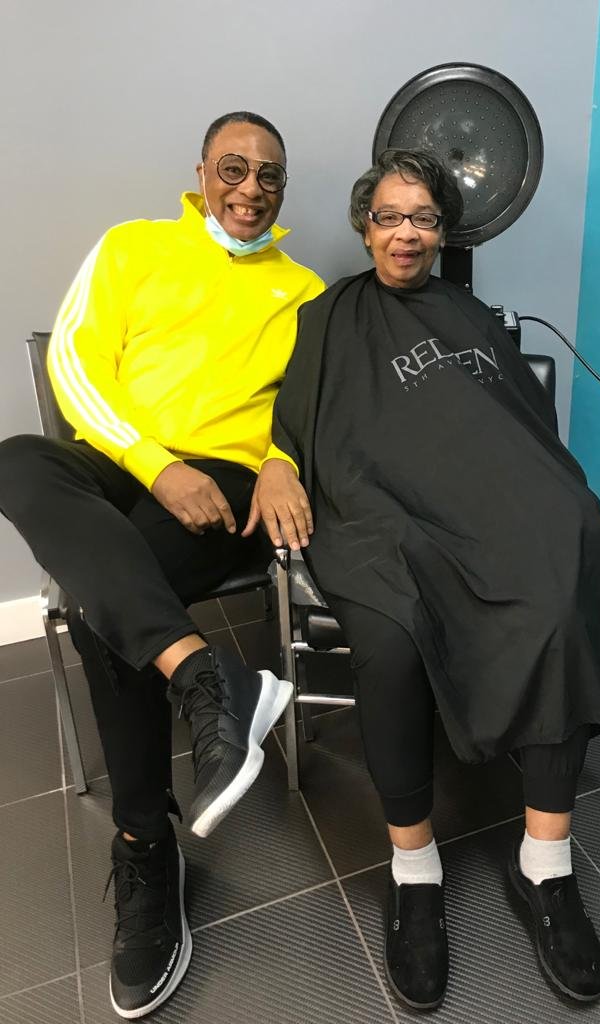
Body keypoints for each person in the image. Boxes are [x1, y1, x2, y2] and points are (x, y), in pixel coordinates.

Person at [254, 149, 600, 1010]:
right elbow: (293, 423)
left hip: (494, 504)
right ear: (365, 226)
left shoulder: (473, 316)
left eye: (422, 218)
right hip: (379, 512)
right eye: (389, 216)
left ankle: (546, 864)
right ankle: (414, 871)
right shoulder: (328, 316)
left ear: (443, 231)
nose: (405, 234)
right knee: (389, 642)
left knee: (562, 569)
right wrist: (275, 464)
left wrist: (546, 493)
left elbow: (525, 424)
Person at [0, 111, 323, 1019]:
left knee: (106, 608)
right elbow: (75, 365)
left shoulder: (303, 291)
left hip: (228, 482)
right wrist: (153, 465)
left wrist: (280, 460)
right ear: (202, 171)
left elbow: (314, 408)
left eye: (269, 175)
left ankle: (146, 844)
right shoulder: (132, 246)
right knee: (16, 458)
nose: (250, 189)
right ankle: (202, 674)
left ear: (283, 188)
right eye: (234, 168)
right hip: (126, 459)